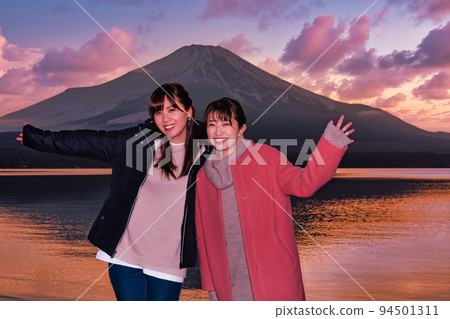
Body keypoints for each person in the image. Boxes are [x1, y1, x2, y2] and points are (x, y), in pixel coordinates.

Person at [17, 83, 209, 301]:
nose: (165, 118)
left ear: (189, 111)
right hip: (125, 254)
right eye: (158, 111)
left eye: (172, 109)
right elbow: (88, 142)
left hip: (169, 261)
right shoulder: (139, 142)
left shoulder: (208, 148)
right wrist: (36, 138)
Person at [195, 97, 355, 301]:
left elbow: (304, 184)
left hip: (272, 277)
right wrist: (212, 287)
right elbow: (204, 237)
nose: (218, 132)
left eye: (226, 124)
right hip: (228, 284)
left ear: (241, 128)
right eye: (212, 124)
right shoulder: (203, 177)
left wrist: (331, 145)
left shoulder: (266, 158)